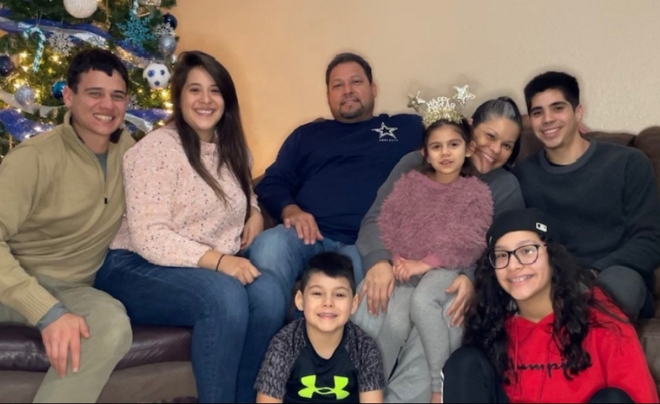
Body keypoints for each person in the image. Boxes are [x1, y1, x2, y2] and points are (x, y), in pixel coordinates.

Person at [94, 51, 277, 403]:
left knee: (268, 294)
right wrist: (222, 262)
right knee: (224, 297)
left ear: (227, 99)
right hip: (134, 266)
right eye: (194, 90)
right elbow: (150, 237)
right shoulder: (157, 151)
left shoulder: (235, 150)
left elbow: (242, 195)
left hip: (199, 268)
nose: (205, 100)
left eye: (215, 91)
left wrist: (254, 213)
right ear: (179, 97)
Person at [352, 96, 525, 402]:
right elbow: (378, 217)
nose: (495, 150)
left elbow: (503, 249)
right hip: (401, 267)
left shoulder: (504, 186)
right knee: (379, 302)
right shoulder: (414, 165)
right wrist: (378, 261)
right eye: (490, 136)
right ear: (471, 130)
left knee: (441, 311)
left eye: (507, 145)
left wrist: (471, 276)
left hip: (450, 277)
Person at [246, 52, 424, 331]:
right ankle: (275, 347)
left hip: (364, 242)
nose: (347, 91)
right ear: (328, 94)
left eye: (356, 82)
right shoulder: (306, 135)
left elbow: (451, 145)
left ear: (373, 88)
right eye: (337, 85)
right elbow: (272, 182)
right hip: (309, 236)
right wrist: (290, 209)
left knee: (350, 290)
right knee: (268, 246)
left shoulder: (406, 128)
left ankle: (316, 357)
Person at [0, 49, 134, 402]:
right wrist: (46, 311)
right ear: (69, 96)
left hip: (73, 287)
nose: (107, 105)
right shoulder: (34, 158)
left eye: (117, 96)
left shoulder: (132, 155)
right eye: (95, 93)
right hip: (11, 282)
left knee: (111, 323)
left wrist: (255, 210)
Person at [442, 208, 658, 403]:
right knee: (464, 362)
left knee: (614, 400)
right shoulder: (493, 330)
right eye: (502, 256)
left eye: (527, 251)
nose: (514, 265)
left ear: (552, 257)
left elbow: (641, 397)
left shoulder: (603, 323)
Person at [514, 71, 660, 319]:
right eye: (538, 112)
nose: (547, 119)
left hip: (617, 275)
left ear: (578, 112)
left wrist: (594, 272)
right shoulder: (524, 175)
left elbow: (651, 238)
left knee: (614, 286)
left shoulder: (627, 162)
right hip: (555, 281)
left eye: (558, 108)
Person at [376, 111, 493, 403]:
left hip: (448, 267)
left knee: (423, 301)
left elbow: (470, 240)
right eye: (437, 146)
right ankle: (371, 387)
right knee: (393, 313)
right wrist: (398, 258)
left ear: (468, 149)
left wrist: (426, 263)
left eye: (453, 145)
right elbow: (389, 220)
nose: (445, 153)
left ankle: (438, 386)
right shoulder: (411, 184)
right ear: (425, 153)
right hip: (410, 268)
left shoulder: (475, 192)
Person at [255, 252, 385, 403]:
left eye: (339, 295)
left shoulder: (364, 348)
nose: (328, 302)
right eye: (317, 293)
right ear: (300, 300)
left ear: (354, 303)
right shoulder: (284, 344)